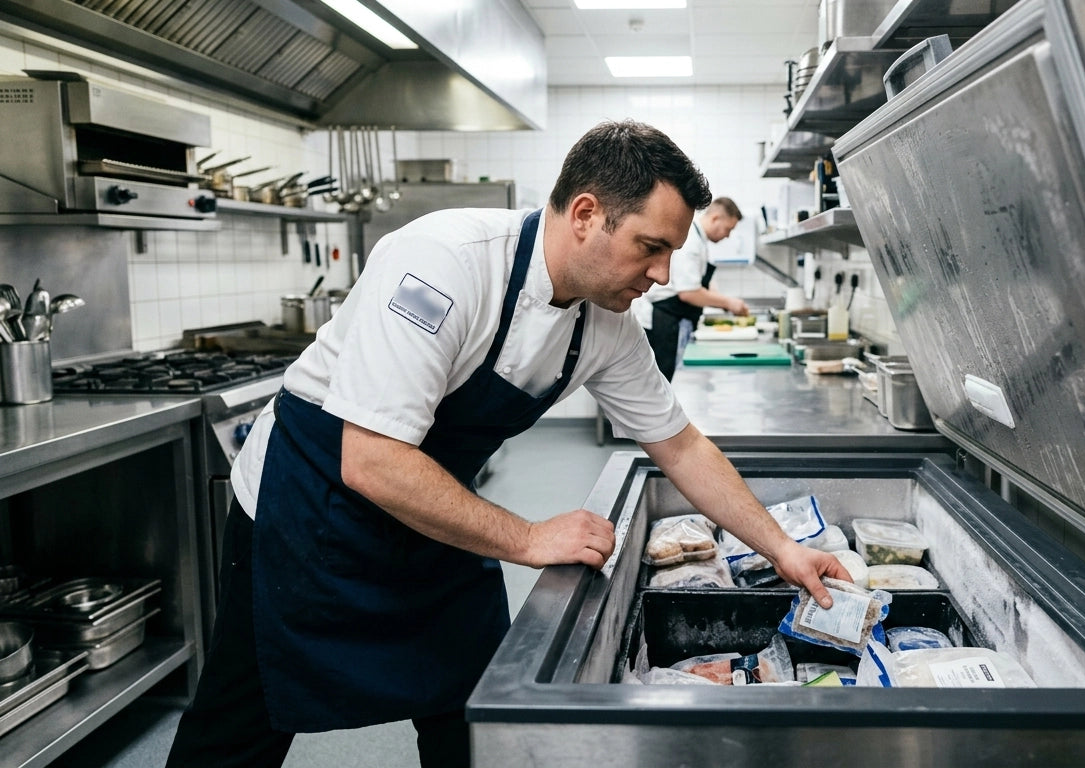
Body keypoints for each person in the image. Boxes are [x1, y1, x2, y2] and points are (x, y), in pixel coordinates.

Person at [165, 120, 846, 768]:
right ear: (586, 215)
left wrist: (781, 548)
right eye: (651, 247)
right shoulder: (444, 264)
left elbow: (682, 446)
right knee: (242, 726)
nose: (665, 275)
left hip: (435, 514)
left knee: (472, 718)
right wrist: (524, 539)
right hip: (311, 514)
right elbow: (371, 459)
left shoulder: (605, 325)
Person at [631, 196, 749, 381]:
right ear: (715, 218)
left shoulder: (699, 240)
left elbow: (699, 284)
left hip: (670, 317)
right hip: (661, 318)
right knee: (658, 381)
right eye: (728, 229)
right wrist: (728, 303)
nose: (727, 235)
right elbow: (688, 293)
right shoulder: (691, 241)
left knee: (664, 381)